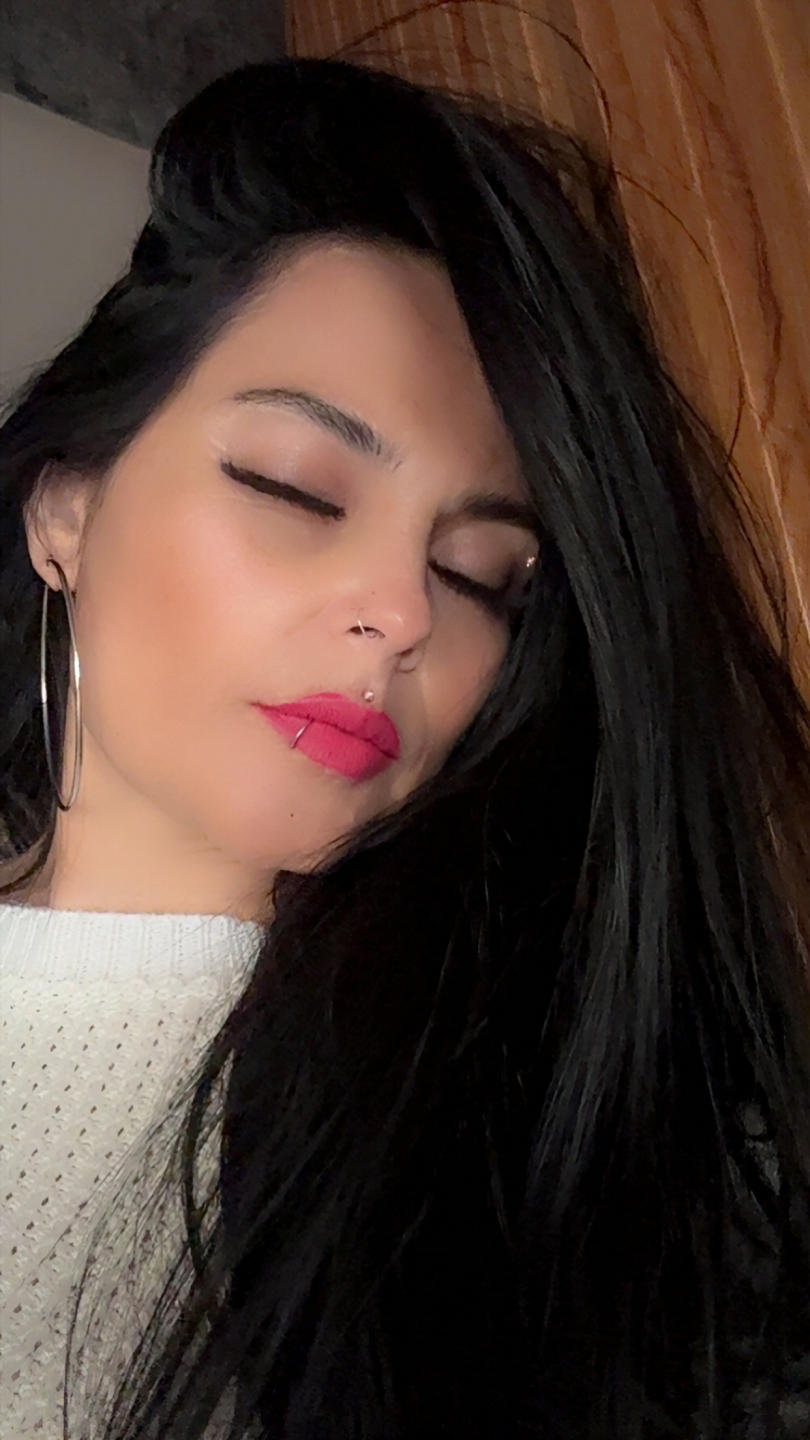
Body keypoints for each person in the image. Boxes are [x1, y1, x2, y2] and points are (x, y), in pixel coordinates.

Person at [1, 53, 809, 1440]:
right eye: (295, 488)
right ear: (65, 511)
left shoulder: (533, 1153)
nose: (403, 611)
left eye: (481, 573)